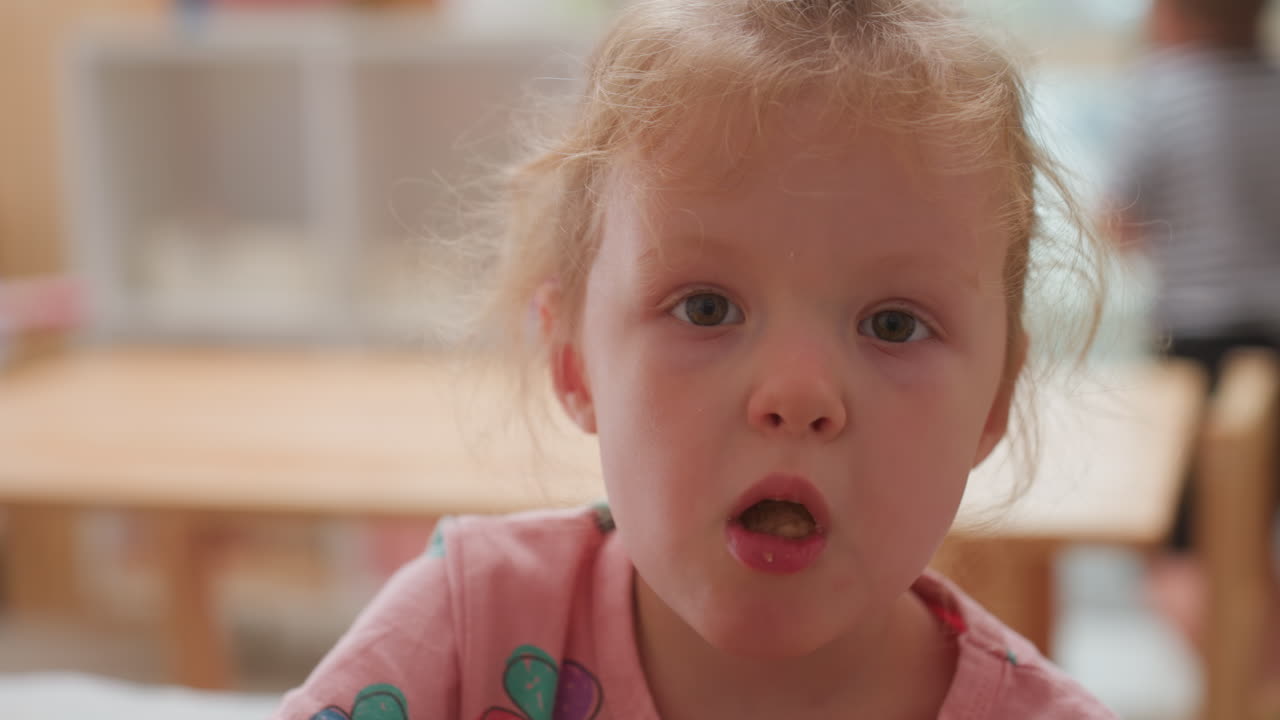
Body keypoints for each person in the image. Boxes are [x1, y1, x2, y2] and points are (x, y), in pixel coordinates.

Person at [274, 1, 1116, 717]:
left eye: (894, 325)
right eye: (705, 308)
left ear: (996, 401)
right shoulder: (469, 625)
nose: (797, 394)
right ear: (573, 360)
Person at [1106, 0, 1280, 666]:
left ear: (1169, 15)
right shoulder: (1273, 89)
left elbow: (1118, 221)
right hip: (1274, 341)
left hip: (1199, 342)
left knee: (1177, 555)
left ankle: (1243, 694)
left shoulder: (1162, 92)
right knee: (1249, 535)